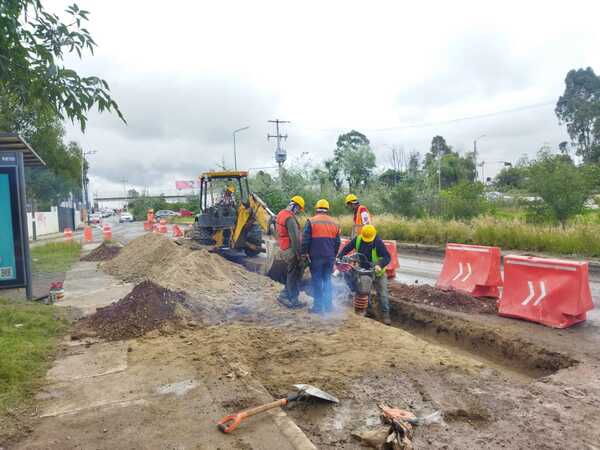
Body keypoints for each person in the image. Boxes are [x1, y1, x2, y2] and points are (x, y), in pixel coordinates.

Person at [338, 224, 392, 325]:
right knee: (363, 292)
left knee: (383, 294)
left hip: (378, 272)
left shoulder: (378, 242)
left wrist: (379, 264)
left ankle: (386, 316)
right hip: (364, 272)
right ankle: (370, 312)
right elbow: (346, 249)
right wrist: (339, 256)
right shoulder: (358, 240)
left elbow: (387, 257)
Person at [302, 199, 341, 314]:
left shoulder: (311, 221)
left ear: (317, 209)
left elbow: (305, 240)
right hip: (329, 257)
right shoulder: (335, 223)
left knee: (317, 281)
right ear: (327, 209)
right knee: (327, 280)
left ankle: (318, 308)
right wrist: (333, 255)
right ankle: (328, 306)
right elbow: (337, 243)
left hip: (316, 257)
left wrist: (304, 254)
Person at [276, 195, 305, 308]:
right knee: (295, 273)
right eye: (298, 209)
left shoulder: (281, 213)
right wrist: (300, 256)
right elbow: (295, 240)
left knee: (292, 273)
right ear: (295, 206)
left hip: (283, 248)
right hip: (290, 250)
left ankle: (289, 295)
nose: (298, 212)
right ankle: (289, 297)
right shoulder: (290, 218)